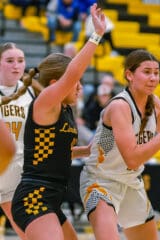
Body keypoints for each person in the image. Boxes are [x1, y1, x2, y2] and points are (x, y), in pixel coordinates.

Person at [11, 4, 106, 240]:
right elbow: (73, 71)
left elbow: (55, 151)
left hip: (52, 199)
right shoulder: (45, 103)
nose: (81, 86)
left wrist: (86, 150)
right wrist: (96, 35)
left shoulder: (64, 109)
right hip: (34, 197)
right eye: (76, 81)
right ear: (56, 82)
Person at [79, 49, 160, 240]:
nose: (153, 78)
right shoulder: (119, 106)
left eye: (156, 73)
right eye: (147, 72)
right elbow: (132, 159)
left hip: (131, 182)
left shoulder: (154, 102)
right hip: (101, 181)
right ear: (129, 75)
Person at [0, 42, 38, 239]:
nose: (16, 65)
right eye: (9, 61)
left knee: (27, 233)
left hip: (17, 174)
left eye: (20, 61)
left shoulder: (31, 91)